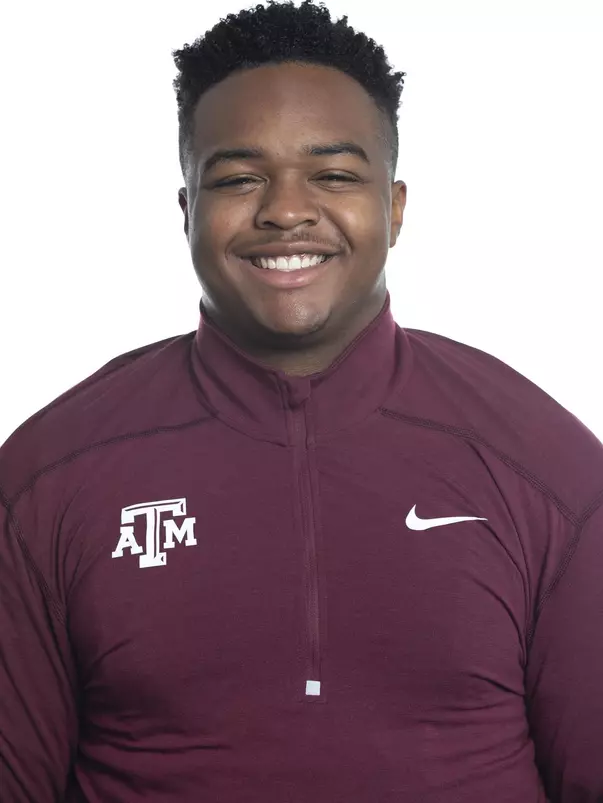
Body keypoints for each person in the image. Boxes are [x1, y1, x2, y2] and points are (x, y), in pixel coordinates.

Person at [1, 0, 602, 800]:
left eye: (333, 175)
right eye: (240, 177)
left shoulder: (546, 465)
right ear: (187, 211)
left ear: (392, 208)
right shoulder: (46, 473)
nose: (286, 209)